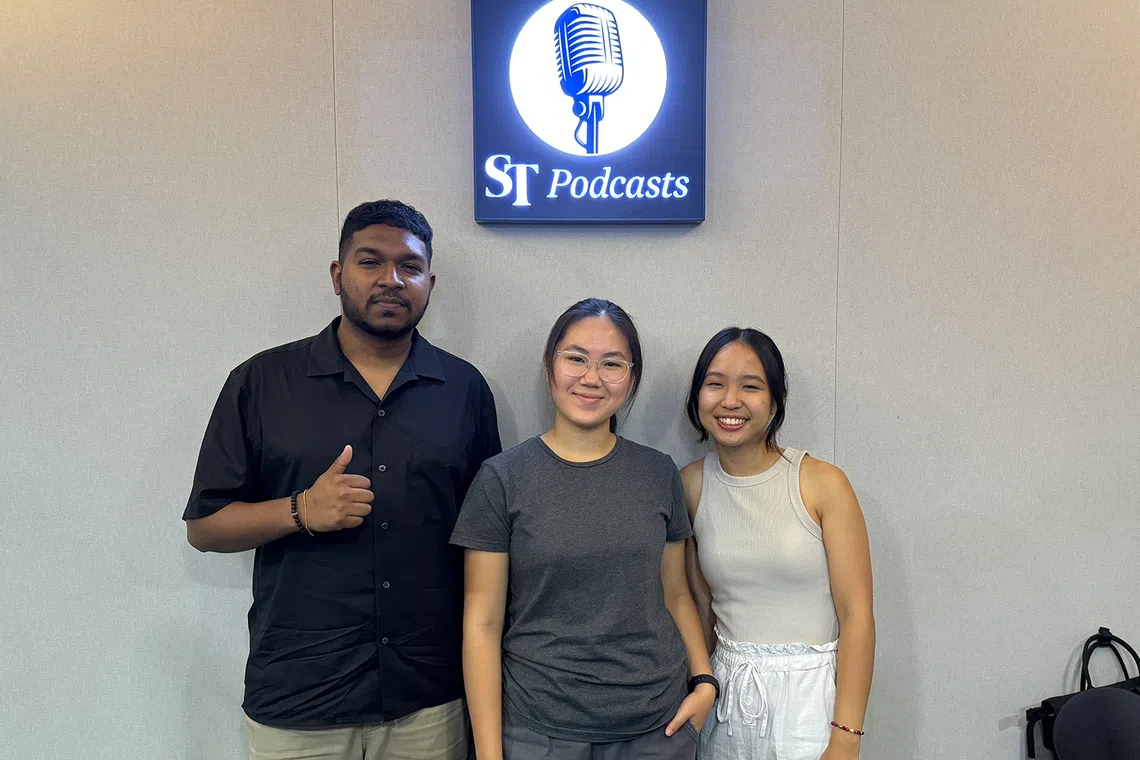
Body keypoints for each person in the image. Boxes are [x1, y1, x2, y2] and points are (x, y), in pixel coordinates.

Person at [183, 199, 501, 760]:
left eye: (409, 266)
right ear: (337, 276)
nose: (391, 280)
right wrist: (300, 510)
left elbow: (486, 540)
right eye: (370, 262)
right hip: (301, 700)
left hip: (427, 698)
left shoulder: (464, 390)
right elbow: (206, 527)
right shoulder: (261, 382)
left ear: (430, 281)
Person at [451, 298, 718, 760]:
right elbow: (482, 621)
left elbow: (675, 593)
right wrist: (490, 753)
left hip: (659, 726)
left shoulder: (658, 473)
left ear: (631, 377)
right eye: (576, 358)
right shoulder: (503, 478)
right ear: (550, 365)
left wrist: (705, 681)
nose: (591, 378)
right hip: (538, 729)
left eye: (612, 364)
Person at [682, 327, 875, 760]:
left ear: (774, 400)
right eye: (715, 384)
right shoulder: (690, 485)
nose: (730, 400)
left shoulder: (822, 482)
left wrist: (846, 736)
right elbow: (698, 605)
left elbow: (857, 615)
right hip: (725, 695)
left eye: (751, 386)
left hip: (809, 700)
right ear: (697, 397)